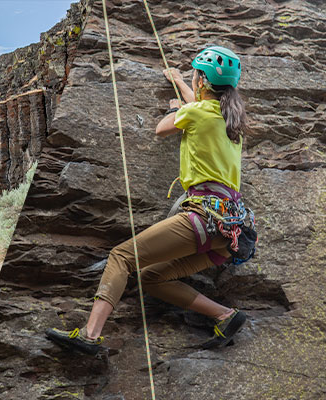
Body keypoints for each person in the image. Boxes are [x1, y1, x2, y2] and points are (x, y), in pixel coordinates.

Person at [46, 46, 250, 355]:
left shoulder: (194, 113)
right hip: (226, 233)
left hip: (201, 219)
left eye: (195, 75)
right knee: (151, 277)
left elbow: (162, 129)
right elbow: (200, 106)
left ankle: (89, 335)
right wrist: (180, 82)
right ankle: (225, 314)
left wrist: (173, 109)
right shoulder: (229, 122)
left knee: (121, 257)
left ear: (203, 81)